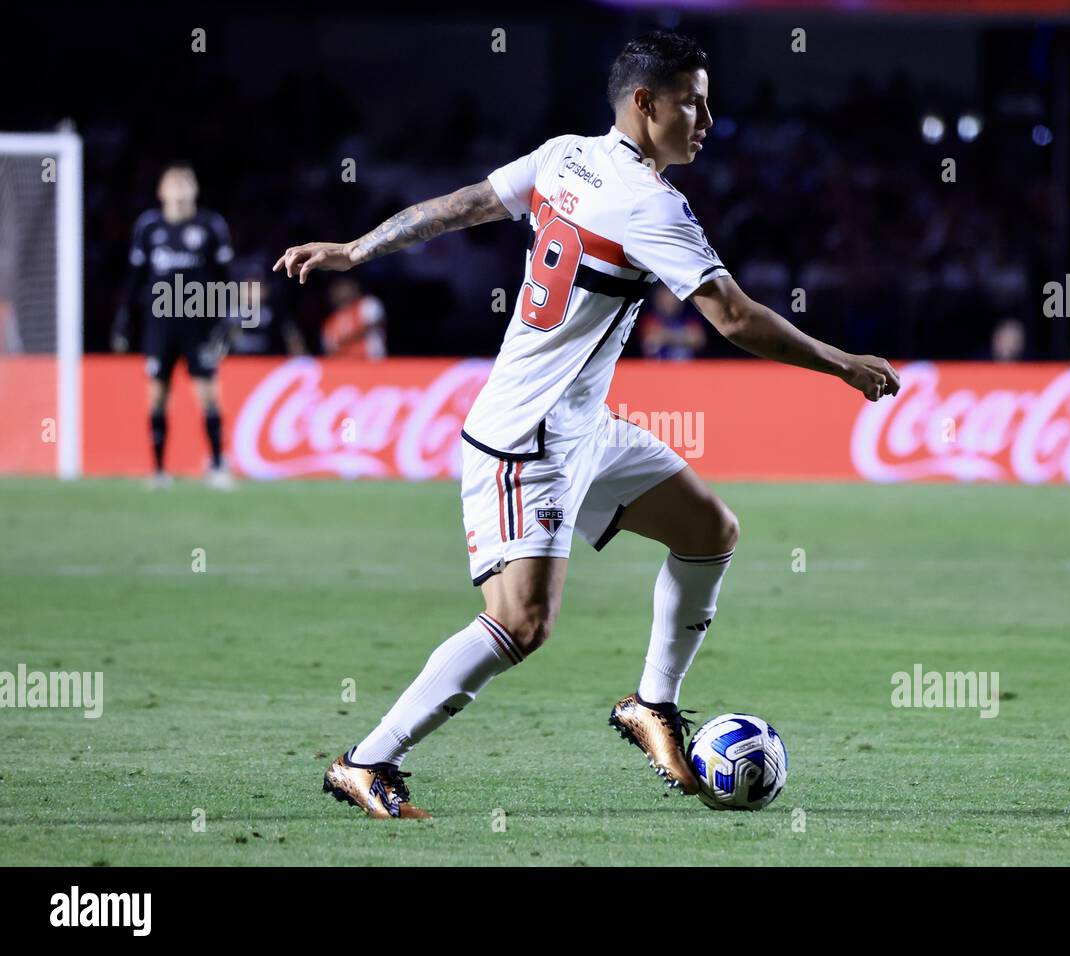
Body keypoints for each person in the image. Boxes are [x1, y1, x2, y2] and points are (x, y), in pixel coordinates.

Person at [274, 30, 900, 819]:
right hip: (526, 438)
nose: (707, 119)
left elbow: (464, 205)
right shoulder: (648, 204)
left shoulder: (565, 155)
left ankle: (651, 706)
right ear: (645, 104)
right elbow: (734, 317)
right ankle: (366, 762)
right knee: (521, 623)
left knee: (710, 531)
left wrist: (358, 248)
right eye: (691, 104)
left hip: (584, 427)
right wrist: (842, 362)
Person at [112, 163, 236, 489]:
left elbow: (226, 277)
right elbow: (136, 278)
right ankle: (158, 472)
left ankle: (218, 467)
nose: (180, 189)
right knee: (156, 396)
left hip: (200, 325)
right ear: (161, 191)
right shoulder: (149, 227)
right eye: (173, 183)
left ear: (195, 189)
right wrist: (123, 319)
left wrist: (228, 318)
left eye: (186, 183)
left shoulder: (211, 226)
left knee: (208, 396)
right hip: (160, 326)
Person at [320, 277, 386, 359]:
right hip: (344, 367)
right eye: (338, 289)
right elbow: (329, 349)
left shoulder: (367, 304)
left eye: (345, 287)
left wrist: (347, 339)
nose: (342, 293)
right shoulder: (330, 322)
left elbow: (376, 324)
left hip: (371, 362)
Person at [639, 283, 707, 359]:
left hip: (685, 368)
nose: (671, 301)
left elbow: (698, 339)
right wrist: (685, 335)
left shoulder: (687, 317)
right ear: (657, 298)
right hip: (659, 368)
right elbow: (651, 339)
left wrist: (665, 336)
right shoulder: (650, 318)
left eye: (674, 297)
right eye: (665, 297)